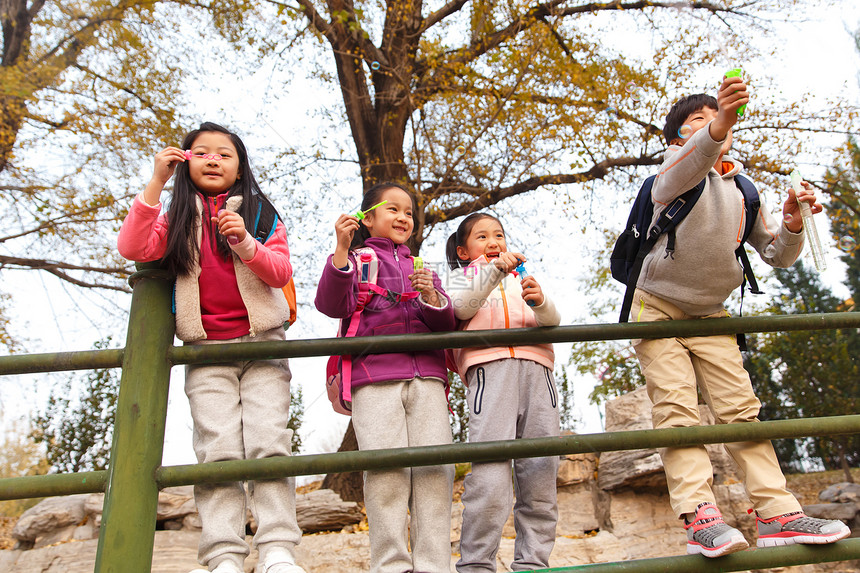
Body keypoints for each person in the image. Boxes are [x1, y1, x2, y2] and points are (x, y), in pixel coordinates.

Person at [629, 76, 851, 558]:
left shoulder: (745, 190)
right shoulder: (670, 173)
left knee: (741, 412)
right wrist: (718, 124)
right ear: (675, 140)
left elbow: (775, 253)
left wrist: (792, 224)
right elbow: (691, 163)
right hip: (657, 307)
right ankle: (700, 517)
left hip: (712, 314)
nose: (711, 125)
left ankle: (779, 513)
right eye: (697, 121)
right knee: (677, 411)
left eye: (718, 118)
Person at [117, 122, 305, 573]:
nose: (213, 159)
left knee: (269, 442)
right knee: (217, 450)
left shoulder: (259, 212)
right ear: (185, 163)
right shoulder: (177, 215)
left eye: (225, 153)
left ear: (240, 168)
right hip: (206, 352)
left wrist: (244, 242)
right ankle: (223, 555)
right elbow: (132, 246)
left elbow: (280, 272)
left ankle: (278, 548)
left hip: (262, 344)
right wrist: (157, 182)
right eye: (201, 153)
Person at [314, 182, 456, 573]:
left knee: (435, 471)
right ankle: (391, 565)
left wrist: (431, 296)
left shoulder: (421, 267)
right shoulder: (357, 259)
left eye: (408, 212)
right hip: (374, 379)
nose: (402, 217)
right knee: (386, 472)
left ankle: (434, 564)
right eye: (392, 209)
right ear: (368, 218)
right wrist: (341, 252)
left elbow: (444, 324)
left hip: (427, 376)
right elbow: (331, 304)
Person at [446, 213, 561, 572]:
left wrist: (540, 302)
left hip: (538, 373)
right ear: (464, 251)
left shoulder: (522, 278)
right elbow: (461, 308)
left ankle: (533, 562)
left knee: (541, 469)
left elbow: (552, 322)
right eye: (482, 237)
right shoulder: (462, 278)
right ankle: (477, 563)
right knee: (491, 472)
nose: (494, 241)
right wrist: (493, 270)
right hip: (490, 372)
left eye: (499, 234)